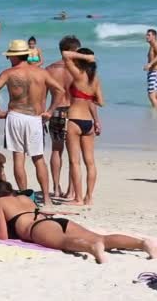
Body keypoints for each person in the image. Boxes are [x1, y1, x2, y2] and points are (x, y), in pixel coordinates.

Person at [0, 178, 157, 263]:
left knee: (64, 241)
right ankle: (142, 244)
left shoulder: (0, 202)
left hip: (37, 228)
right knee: (101, 238)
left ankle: (90, 248)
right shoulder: (24, 198)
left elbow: (2, 236)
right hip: (56, 221)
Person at [0, 40, 65, 206]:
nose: (8, 59)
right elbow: (60, 90)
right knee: (38, 159)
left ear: (14, 56)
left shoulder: (8, 73)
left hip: (15, 116)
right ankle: (47, 198)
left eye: (9, 56)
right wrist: (50, 111)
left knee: (18, 159)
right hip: (35, 118)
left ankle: (25, 198)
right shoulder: (41, 73)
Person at [61, 48, 104, 206]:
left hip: (74, 119)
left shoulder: (78, 75)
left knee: (75, 162)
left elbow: (66, 55)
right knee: (90, 162)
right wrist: (87, 99)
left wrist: (85, 56)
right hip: (89, 123)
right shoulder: (95, 79)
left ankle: (78, 198)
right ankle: (89, 197)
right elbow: (100, 101)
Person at [45, 36, 81, 198]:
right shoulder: (80, 70)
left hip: (56, 111)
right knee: (74, 154)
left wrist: (44, 114)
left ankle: (56, 187)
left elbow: (41, 96)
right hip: (75, 112)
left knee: (56, 150)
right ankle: (70, 190)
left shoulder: (50, 69)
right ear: (74, 51)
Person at [144, 29, 157, 108]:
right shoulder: (152, 46)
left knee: (151, 95)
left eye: (149, 35)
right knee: (156, 94)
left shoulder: (155, 44)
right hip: (155, 73)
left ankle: (156, 113)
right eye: (147, 35)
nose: (146, 36)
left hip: (155, 73)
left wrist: (150, 64)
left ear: (154, 36)